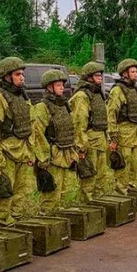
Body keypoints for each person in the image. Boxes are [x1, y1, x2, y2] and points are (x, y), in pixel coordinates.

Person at [0, 57, 36, 227]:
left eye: (22, 74)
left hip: (22, 151)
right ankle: (3, 224)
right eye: (17, 74)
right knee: (4, 192)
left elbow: (29, 125)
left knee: (21, 191)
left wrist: (30, 151)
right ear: (7, 76)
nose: (22, 77)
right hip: (6, 152)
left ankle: (17, 221)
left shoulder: (22, 96)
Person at [31, 70, 79, 214]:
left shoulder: (63, 104)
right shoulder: (42, 107)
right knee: (51, 194)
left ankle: (58, 225)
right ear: (49, 87)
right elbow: (38, 134)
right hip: (52, 156)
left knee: (63, 191)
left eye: (62, 85)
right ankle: (47, 222)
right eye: (58, 85)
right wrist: (43, 159)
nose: (62, 88)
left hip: (65, 153)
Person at [69, 61, 110, 203]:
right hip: (89, 141)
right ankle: (87, 207)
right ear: (89, 77)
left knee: (101, 177)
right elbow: (79, 122)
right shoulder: (82, 96)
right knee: (89, 178)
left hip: (100, 139)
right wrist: (81, 146)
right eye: (97, 76)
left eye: (100, 75)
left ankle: (100, 206)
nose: (100, 78)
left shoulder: (97, 93)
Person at [106, 58, 137, 194]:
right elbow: (111, 114)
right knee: (123, 163)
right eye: (132, 72)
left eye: (136, 71)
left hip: (134, 132)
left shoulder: (134, 89)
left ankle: (132, 189)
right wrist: (113, 137)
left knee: (134, 164)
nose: (136, 74)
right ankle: (121, 192)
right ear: (124, 73)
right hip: (124, 133)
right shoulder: (117, 90)